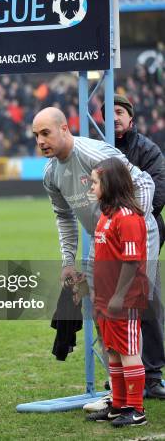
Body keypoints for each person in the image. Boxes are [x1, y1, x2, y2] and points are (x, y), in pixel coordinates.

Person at [34, 107, 160, 408]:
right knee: (103, 318)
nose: (40, 141)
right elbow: (63, 218)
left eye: (45, 133)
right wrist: (67, 260)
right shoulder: (51, 173)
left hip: (134, 235)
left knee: (128, 313)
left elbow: (145, 184)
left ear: (65, 128)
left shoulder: (94, 153)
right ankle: (117, 395)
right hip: (100, 240)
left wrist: (127, 225)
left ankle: (137, 396)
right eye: (36, 136)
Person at [103, 94, 165, 399]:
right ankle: (119, 373)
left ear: (131, 117)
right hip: (108, 232)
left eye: (119, 111)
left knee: (145, 298)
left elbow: (159, 191)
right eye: (107, 113)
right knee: (111, 301)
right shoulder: (99, 148)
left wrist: (126, 216)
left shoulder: (148, 150)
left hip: (144, 229)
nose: (113, 117)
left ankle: (151, 374)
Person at [85, 158, 149, 426]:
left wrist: (119, 296)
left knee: (128, 351)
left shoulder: (128, 218)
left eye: (95, 181)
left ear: (109, 184)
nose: (91, 185)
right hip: (105, 298)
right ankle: (119, 404)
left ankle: (136, 409)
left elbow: (132, 262)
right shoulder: (106, 216)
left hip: (125, 299)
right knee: (112, 349)